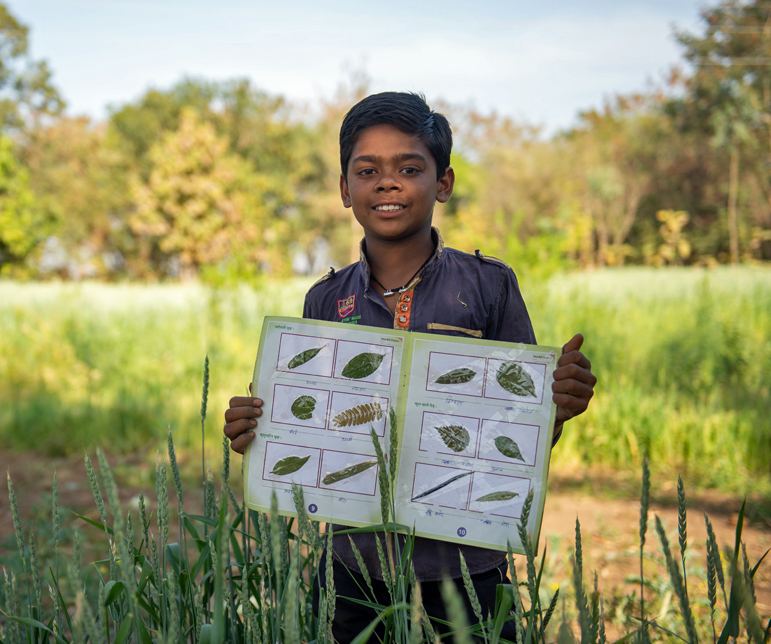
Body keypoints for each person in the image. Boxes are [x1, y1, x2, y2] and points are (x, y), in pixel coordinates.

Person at [223, 92, 597, 643]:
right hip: (354, 559)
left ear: (442, 183)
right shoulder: (324, 301)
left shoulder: (488, 286)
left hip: (469, 561)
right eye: (367, 170)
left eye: (409, 168)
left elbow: (519, 441)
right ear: (345, 189)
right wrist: (257, 435)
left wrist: (556, 410)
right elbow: (309, 429)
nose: (388, 183)